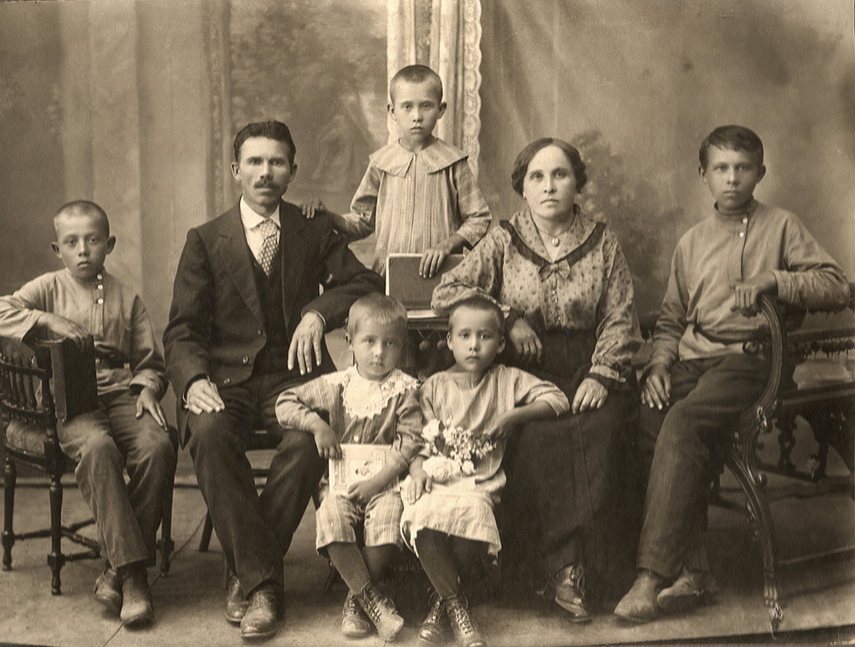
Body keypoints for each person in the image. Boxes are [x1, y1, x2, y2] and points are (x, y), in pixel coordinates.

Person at [614, 125, 850, 623]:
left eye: (743, 168)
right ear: (703, 175)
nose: (732, 178)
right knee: (645, 415)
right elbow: (674, 317)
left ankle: (651, 575)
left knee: (683, 420)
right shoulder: (692, 241)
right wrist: (659, 364)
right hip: (693, 358)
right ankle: (695, 571)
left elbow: (836, 286)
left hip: (753, 360)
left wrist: (774, 280)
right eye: (721, 168)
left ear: (760, 173)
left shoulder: (782, 225)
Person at [162, 120, 384, 641]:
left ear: (292, 171)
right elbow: (181, 330)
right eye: (255, 162)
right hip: (224, 381)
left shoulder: (312, 230)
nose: (266, 172)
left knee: (311, 441)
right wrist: (193, 379)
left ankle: (248, 574)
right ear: (236, 170)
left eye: (277, 162)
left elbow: (364, 282)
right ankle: (264, 582)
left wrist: (317, 313)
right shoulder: (205, 239)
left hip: (296, 379)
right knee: (210, 435)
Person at [431, 138, 642, 622]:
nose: (549, 187)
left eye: (560, 175)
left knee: (600, 430)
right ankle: (556, 571)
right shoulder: (505, 239)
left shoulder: (603, 242)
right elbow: (449, 290)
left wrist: (603, 375)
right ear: (522, 187)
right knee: (536, 435)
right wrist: (505, 317)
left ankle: (584, 572)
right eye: (537, 177)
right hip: (526, 373)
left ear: (577, 184)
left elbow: (620, 317)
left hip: (589, 365)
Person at [0, 200, 176, 627]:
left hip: (122, 394)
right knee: (98, 447)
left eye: (93, 240)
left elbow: (150, 363)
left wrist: (148, 389)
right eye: (71, 242)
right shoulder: (47, 287)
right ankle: (134, 576)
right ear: (57, 249)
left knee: (159, 445)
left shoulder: (127, 296)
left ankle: (113, 569)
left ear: (110, 244)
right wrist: (45, 319)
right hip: (70, 399)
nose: (83, 250)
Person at [401, 297, 569, 647]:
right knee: (422, 516)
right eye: (464, 336)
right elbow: (416, 439)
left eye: (484, 337)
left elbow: (557, 399)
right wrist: (417, 470)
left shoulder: (507, 380)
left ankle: (441, 603)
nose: (474, 345)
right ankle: (454, 605)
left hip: (480, 482)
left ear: (501, 343)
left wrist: (511, 416)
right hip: (436, 479)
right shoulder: (433, 386)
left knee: (471, 517)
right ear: (449, 341)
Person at [274, 294, 422, 641]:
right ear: (349, 341)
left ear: (401, 348)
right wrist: (317, 425)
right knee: (330, 516)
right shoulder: (337, 386)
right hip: (342, 483)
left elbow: (411, 441)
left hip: (385, 483)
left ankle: (356, 600)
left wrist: (380, 479)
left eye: (390, 344)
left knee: (389, 518)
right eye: (369, 341)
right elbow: (285, 402)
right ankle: (372, 600)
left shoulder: (404, 389)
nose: (378, 353)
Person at [302, 64, 491, 279]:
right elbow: (362, 221)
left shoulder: (453, 162)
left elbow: (479, 217)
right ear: (392, 111)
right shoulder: (381, 163)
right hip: (388, 275)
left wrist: (447, 245)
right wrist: (329, 216)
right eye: (407, 107)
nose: (417, 116)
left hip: (443, 275)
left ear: (441, 110)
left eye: (426, 106)